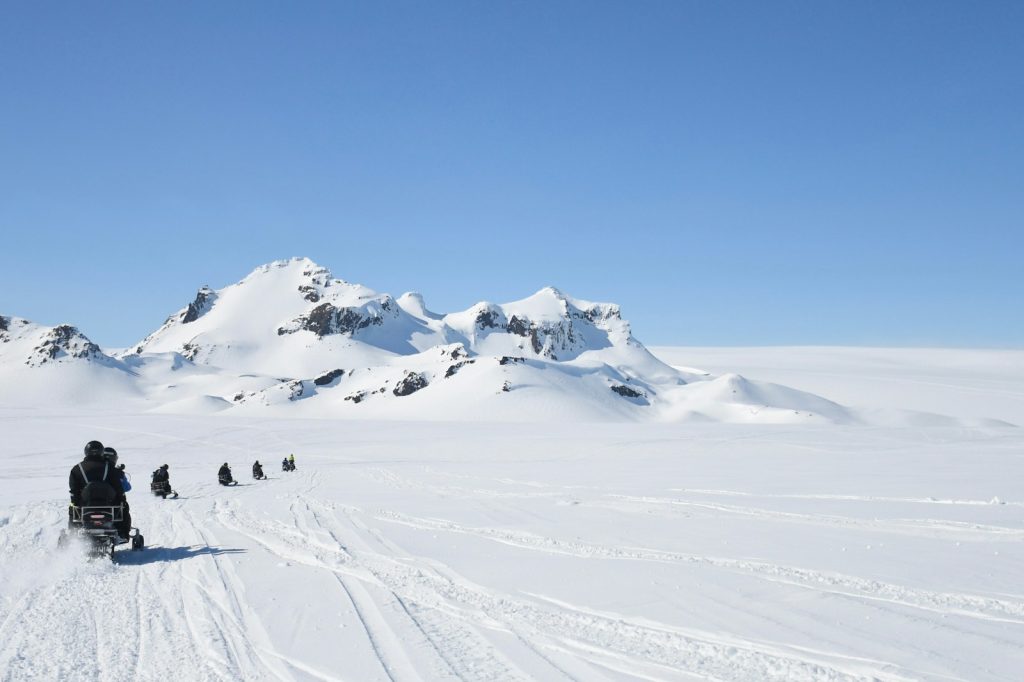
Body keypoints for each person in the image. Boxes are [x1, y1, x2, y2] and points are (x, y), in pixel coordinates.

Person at [69, 440, 128, 538]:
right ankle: (122, 533)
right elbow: (118, 487)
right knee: (124, 507)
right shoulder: (109, 467)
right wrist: (122, 500)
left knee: (72, 509)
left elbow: (73, 490)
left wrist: (75, 503)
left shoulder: (77, 469)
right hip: (108, 505)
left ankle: (72, 536)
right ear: (101, 451)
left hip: (85, 505)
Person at [103, 447, 132, 537]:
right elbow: (126, 488)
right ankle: (123, 532)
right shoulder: (116, 472)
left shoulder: (93, 469)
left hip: (89, 504)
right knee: (124, 508)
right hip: (112, 504)